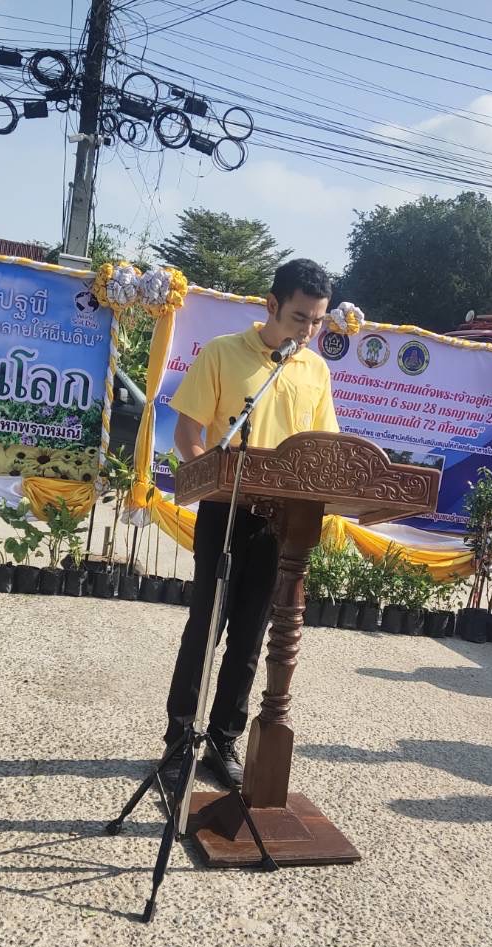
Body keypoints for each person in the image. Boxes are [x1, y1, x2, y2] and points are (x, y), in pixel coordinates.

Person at [162, 258, 339, 787]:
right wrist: (209, 481)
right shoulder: (222, 353)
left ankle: (222, 741)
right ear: (271, 305)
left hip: (281, 523)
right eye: (299, 318)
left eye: (317, 321)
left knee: (250, 636)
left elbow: (322, 450)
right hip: (225, 511)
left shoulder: (315, 371)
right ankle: (178, 741)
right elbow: (188, 433)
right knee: (207, 628)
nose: (308, 331)